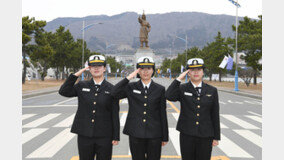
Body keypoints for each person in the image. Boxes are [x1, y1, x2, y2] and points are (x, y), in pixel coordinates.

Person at [58, 55, 120, 160]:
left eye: (99, 66)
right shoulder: (82, 85)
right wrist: (77, 74)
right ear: (89, 68)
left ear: (104, 68)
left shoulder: (112, 89)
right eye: (93, 66)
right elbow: (64, 91)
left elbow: (114, 113)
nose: (96, 68)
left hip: (104, 135)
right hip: (84, 134)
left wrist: (116, 136)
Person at [111, 56, 168, 160]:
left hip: (155, 133)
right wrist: (129, 77)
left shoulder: (160, 89)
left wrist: (165, 136)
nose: (145, 71)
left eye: (149, 68)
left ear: (153, 70)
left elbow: (162, 113)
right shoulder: (131, 87)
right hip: (135, 132)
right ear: (138, 71)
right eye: (142, 68)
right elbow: (114, 93)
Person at [165, 58, 220, 160]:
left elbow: (215, 114)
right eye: (192, 70)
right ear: (188, 73)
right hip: (187, 133)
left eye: (199, 69)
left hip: (206, 135)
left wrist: (216, 136)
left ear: (203, 72)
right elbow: (168, 95)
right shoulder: (182, 88)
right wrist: (178, 79)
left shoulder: (212, 90)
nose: (196, 72)